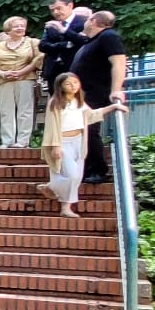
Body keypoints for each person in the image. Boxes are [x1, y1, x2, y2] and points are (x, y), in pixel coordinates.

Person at [37, 72, 128, 218]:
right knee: (72, 175)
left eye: (75, 82)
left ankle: (65, 206)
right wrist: (55, 145)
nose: (73, 86)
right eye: (68, 84)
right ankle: (53, 187)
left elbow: (91, 115)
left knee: (78, 176)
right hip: (62, 142)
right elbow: (51, 125)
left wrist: (113, 107)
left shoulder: (79, 101)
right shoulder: (55, 102)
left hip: (79, 141)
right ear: (60, 86)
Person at [72, 10, 128, 183]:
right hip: (83, 93)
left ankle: (98, 170)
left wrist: (116, 90)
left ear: (93, 21)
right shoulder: (93, 40)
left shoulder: (108, 36)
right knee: (83, 130)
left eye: (86, 19)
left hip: (95, 91)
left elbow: (119, 62)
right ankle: (87, 169)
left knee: (90, 129)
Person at [0, 17, 43, 148]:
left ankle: (23, 141)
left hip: (26, 79)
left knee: (25, 111)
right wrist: (3, 74)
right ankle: (7, 141)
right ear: (8, 29)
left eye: (22, 26)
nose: (20, 28)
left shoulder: (33, 43)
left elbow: (38, 59)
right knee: (6, 112)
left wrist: (22, 71)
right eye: (16, 26)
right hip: (3, 80)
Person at [40, 0, 92, 91]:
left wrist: (63, 30)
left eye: (59, 8)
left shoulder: (84, 22)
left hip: (76, 69)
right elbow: (42, 46)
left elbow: (84, 41)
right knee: (56, 99)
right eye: (52, 10)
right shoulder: (51, 25)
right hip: (54, 71)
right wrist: (66, 44)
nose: (55, 12)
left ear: (70, 6)